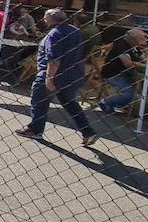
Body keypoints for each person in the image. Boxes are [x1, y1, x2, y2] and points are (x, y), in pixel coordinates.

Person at [17, 8, 98, 144]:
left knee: (39, 101)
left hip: (55, 75)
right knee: (70, 102)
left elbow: (53, 59)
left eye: (45, 18)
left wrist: (49, 78)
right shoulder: (75, 31)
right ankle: (88, 132)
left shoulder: (54, 34)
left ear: (49, 19)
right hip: (73, 74)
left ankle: (35, 130)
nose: (43, 20)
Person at [97, 28, 148, 114]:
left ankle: (129, 105)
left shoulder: (133, 46)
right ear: (132, 38)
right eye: (140, 39)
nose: (143, 41)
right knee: (129, 95)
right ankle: (106, 102)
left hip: (127, 73)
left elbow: (141, 58)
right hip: (113, 74)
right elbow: (128, 64)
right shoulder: (120, 45)